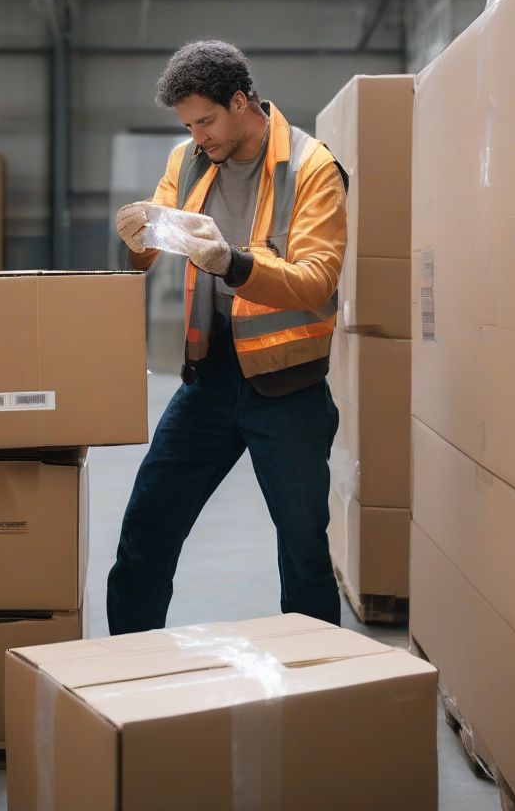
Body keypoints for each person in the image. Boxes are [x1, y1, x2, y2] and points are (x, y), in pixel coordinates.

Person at [107, 38, 349, 635]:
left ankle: (320, 690)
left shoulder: (313, 167)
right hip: (208, 381)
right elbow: (150, 252)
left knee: (304, 556)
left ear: (241, 101)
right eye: (188, 124)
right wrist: (135, 238)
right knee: (146, 531)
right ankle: (124, 681)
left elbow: (318, 280)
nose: (198, 136)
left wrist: (232, 264)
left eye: (206, 120)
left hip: (288, 391)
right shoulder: (188, 161)